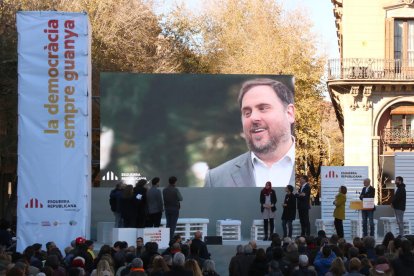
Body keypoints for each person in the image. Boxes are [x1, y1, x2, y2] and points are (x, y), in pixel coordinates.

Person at [204, 78, 295, 187]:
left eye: (263, 108)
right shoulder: (216, 179)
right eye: (247, 113)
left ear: (289, 113)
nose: (253, 118)